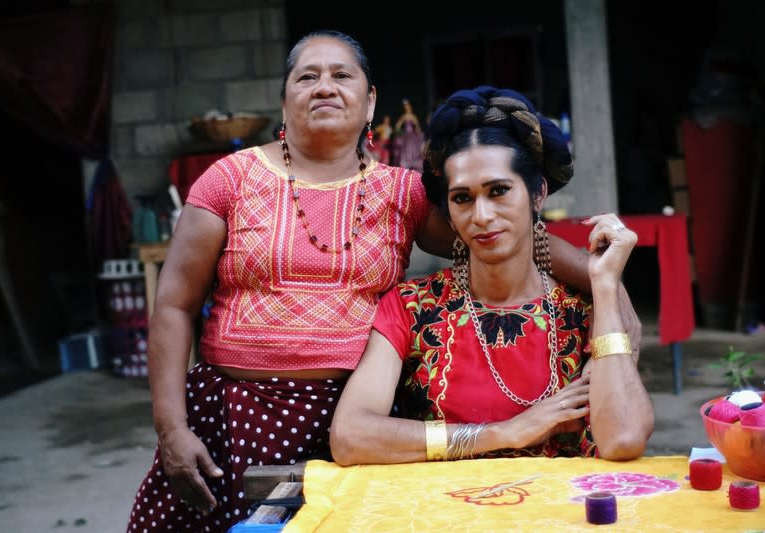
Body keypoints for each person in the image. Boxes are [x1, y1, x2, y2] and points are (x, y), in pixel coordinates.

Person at [127, 32, 633, 531]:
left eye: (342, 75)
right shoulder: (228, 179)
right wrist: (172, 428)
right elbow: (173, 305)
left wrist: (598, 273)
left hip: (360, 413)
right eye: (307, 76)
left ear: (370, 103)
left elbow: (502, 235)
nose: (325, 86)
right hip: (233, 416)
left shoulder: (402, 193)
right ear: (284, 101)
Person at [330, 86, 654, 466]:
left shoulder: (584, 309)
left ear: (537, 195)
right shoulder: (412, 308)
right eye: (462, 198)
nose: (481, 216)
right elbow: (350, 437)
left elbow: (623, 439)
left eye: (498, 191)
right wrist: (503, 432)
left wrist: (604, 286)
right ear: (448, 213)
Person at [392, 98, 425, 171]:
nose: (407, 108)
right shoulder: (404, 116)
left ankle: (413, 163)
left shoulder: (413, 116)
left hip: (412, 135)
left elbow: (417, 127)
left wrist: (418, 133)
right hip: (406, 135)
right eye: (405, 107)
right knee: (406, 149)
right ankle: (407, 163)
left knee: (413, 149)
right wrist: (399, 132)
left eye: (407, 107)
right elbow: (397, 126)